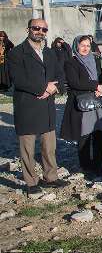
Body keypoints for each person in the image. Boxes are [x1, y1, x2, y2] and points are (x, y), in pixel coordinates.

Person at [7, 19, 69, 195]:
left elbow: (60, 73)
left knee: (49, 146)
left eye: (44, 29)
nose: (40, 31)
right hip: (28, 105)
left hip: (47, 105)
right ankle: (31, 181)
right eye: (36, 28)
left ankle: (51, 176)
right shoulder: (17, 53)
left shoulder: (49, 53)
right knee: (27, 148)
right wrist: (42, 88)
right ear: (28, 29)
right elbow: (19, 79)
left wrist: (54, 88)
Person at [60, 35, 102, 178]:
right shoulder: (71, 62)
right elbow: (75, 83)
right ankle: (86, 165)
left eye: (88, 45)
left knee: (99, 133)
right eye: (82, 45)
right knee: (85, 135)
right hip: (83, 103)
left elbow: (101, 77)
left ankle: (98, 163)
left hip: (98, 101)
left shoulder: (94, 60)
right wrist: (96, 86)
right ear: (76, 46)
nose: (85, 48)